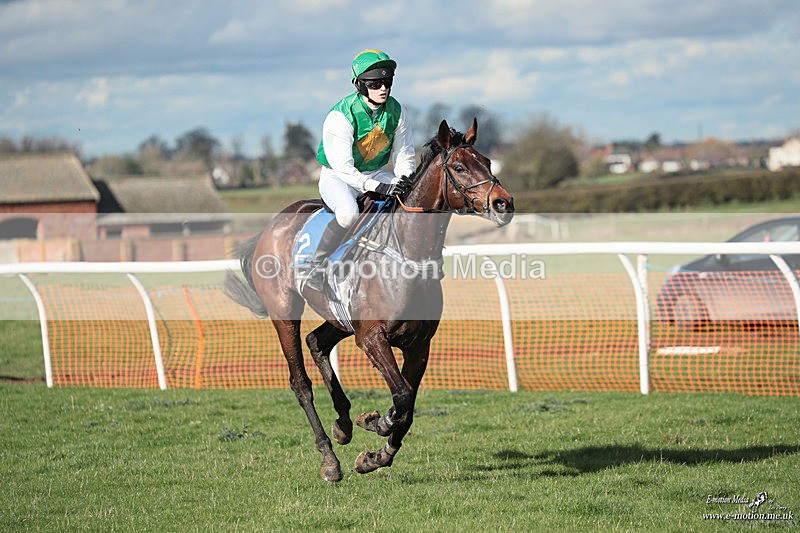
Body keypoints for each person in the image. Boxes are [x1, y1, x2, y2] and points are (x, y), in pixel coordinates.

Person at [306, 49, 416, 289]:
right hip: (338, 177)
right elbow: (344, 169)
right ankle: (316, 265)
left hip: (375, 173)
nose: (383, 88)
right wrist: (380, 186)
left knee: (409, 199)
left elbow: (404, 154)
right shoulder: (340, 115)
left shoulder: (398, 112)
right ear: (360, 85)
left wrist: (405, 179)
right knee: (348, 214)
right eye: (376, 83)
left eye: (387, 82)